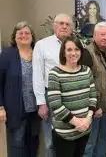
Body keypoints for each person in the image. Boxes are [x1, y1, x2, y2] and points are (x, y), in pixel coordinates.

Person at [47, 36, 97, 157]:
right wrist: (77, 123)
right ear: (63, 52)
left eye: (76, 49)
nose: (73, 53)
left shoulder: (86, 71)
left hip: (84, 131)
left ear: (81, 51)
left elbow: (93, 97)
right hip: (64, 133)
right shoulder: (55, 73)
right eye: (69, 50)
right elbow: (56, 105)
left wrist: (88, 119)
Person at [33, 13, 73, 157]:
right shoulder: (42, 45)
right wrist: (41, 103)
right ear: (54, 26)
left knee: (70, 138)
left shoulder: (75, 46)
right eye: (61, 23)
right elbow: (37, 75)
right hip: (50, 96)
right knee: (50, 141)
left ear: (71, 28)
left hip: (71, 96)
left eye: (67, 24)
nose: (64, 26)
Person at [0, 21, 40, 157]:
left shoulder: (38, 53)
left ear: (32, 36)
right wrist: (0, 107)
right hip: (15, 110)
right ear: (14, 36)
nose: (24, 35)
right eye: (20, 33)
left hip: (36, 110)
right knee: (17, 145)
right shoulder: (6, 55)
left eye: (27, 33)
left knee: (33, 145)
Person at [82, 22, 106, 157]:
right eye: (102, 34)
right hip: (92, 110)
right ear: (94, 35)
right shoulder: (87, 52)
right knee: (89, 145)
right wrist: (95, 107)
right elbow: (84, 83)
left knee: (103, 143)